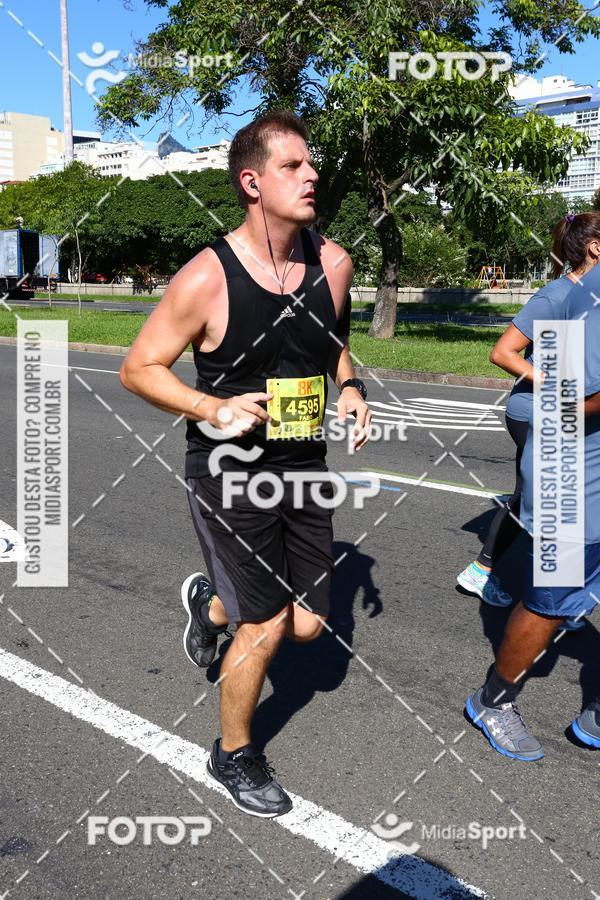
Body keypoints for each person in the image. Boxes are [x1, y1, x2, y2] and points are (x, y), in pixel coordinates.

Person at [120, 110, 372, 815]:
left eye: (311, 163)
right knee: (262, 627)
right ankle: (233, 753)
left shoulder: (333, 263)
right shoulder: (208, 276)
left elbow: (331, 342)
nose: (312, 174)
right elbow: (139, 368)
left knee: (307, 626)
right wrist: (212, 408)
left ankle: (212, 604)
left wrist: (351, 387)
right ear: (252, 183)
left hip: (304, 465)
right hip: (229, 473)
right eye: (293, 166)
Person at [465, 259, 600, 760]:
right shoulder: (572, 297)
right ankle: (494, 700)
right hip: (571, 467)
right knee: (552, 597)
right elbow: (570, 402)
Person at [457, 211, 600, 623]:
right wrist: (556, 383)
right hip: (535, 410)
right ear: (594, 248)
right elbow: (502, 353)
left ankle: (542, 592)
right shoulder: (557, 295)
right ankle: (498, 577)